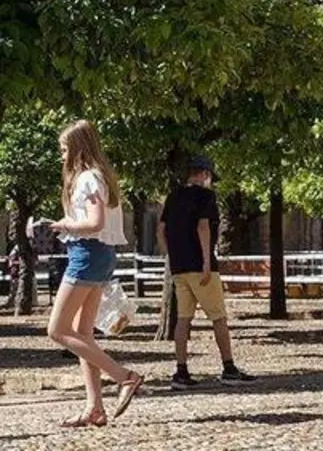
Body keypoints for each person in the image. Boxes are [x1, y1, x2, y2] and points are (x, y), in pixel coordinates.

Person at [44, 120, 143, 426]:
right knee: (83, 334)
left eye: (63, 150)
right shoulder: (101, 177)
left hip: (87, 254)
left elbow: (95, 223)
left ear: (76, 149)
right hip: (98, 256)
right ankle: (95, 407)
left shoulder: (87, 179)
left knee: (57, 330)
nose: (61, 156)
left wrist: (64, 225)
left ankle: (124, 376)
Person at [160, 156, 257, 390]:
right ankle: (229, 367)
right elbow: (203, 226)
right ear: (205, 174)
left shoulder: (173, 197)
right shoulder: (206, 197)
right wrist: (205, 261)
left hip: (179, 268)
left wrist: (171, 256)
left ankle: (181, 371)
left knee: (183, 319)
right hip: (200, 267)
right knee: (218, 318)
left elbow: (160, 230)